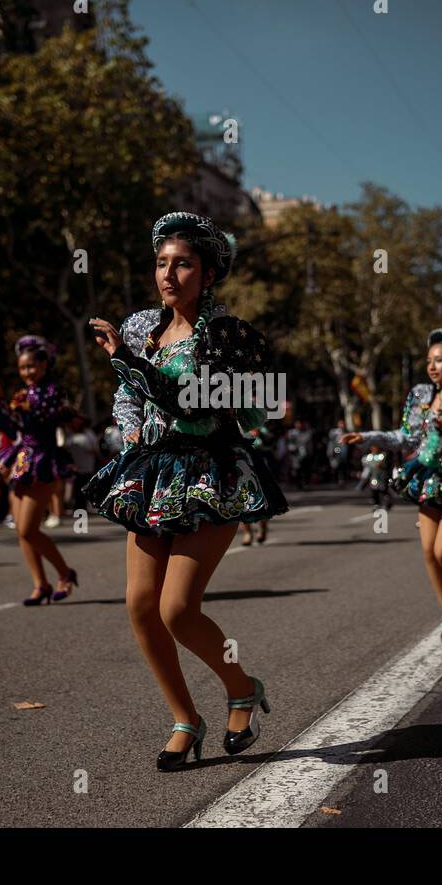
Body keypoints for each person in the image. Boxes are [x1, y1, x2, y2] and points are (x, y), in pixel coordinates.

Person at [84, 210, 288, 770]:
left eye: (184, 264)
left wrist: (126, 363)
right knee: (141, 607)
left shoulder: (225, 336)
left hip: (211, 473)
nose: (169, 274)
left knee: (177, 608)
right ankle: (185, 718)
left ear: (209, 272)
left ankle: (241, 686)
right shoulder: (139, 327)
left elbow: (188, 401)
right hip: (152, 471)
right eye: (161, 263)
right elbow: (130, 398)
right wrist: (127, 426)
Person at [342, 328, 442, 643]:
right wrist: (369, 437)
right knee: (429, 552)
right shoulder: (420, 396)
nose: (431, 366)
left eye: (439, 360)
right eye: (429, 360)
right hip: (429, 478)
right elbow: (406, 437)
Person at [0, 335, 78, 604]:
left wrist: (2, 404)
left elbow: (34, 423)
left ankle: (65, 574)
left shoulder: (52, 392)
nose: (27, 373)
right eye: (22, 368)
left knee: (29, 530)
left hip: (44, 460)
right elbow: (16, 431)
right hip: (24, 460)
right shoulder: (23, 396)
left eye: (31, 367)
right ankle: (40, 583)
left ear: (44, 364)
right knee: (22, 530)